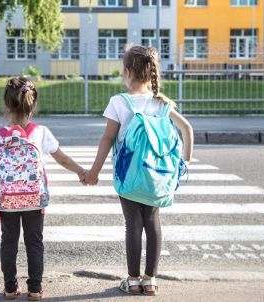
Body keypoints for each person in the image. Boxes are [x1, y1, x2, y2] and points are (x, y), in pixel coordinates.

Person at [84, 44, 194, 296]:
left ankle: (133, 280)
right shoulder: (162, 103)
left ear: (128, 71)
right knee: (153, 221)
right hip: (157, 176)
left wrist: (94, 172)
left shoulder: (119, 103)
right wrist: (184, 163)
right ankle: (151, 280)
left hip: (129, 176)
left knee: (132, 223)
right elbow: (187, 130)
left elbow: (107, 139)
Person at [0, 77, 86, 301]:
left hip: (7, 199)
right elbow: (62, 158)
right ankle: (35, 289)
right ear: (33, 103)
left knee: (8, 241)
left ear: (7, 104)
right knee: (34, 241)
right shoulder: (40, 132)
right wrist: (81, 171)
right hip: (34, 198)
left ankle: (10, 289)